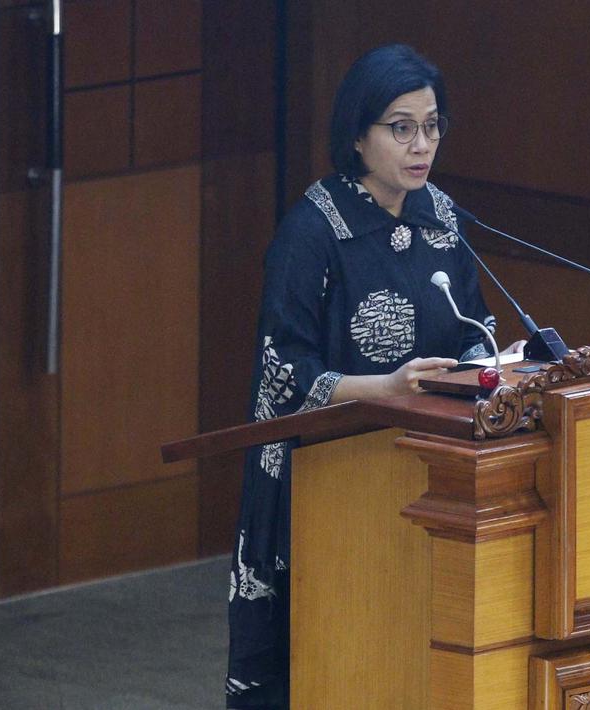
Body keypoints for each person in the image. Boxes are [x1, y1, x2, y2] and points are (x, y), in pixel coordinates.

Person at [226, 44, 520, 708]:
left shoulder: (440, 215)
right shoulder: (312, 233)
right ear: (357, 135)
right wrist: (380, 391)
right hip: (328, 472)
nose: (422, 145)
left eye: (432, 126)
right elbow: (282, 366)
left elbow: (474, 328)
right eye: (401, 128)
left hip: (423, 464)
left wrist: (489, 363)